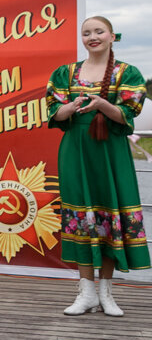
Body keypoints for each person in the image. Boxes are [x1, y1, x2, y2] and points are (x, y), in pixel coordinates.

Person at [47, 16, 148, 317]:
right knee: (80, 216)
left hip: (110, 154)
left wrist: (102, 104)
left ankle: (107, 292)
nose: (92, 37)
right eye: (86, 33)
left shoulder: (127, 73)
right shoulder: (65, 73)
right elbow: (55, 112)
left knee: (109, 215)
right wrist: (68, 108)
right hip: (75, 154)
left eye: (98, 31)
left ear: (112, 36)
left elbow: (128, 115)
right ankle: (86, 292)